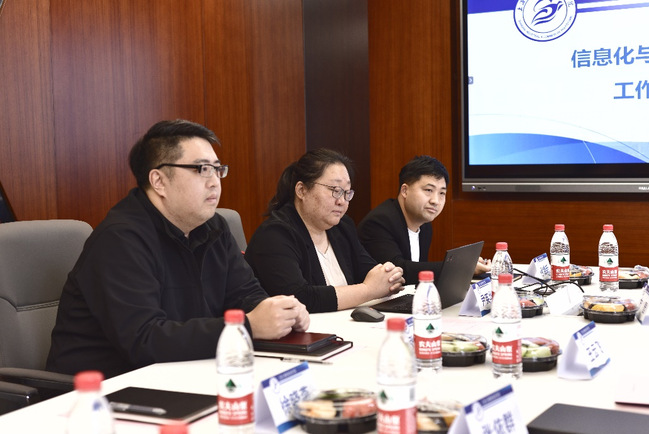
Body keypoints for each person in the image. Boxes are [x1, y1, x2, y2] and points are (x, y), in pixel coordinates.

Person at [46, 119, 309, 378]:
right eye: (202, 169)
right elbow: (144, 340)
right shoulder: (119, 239)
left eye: (217, 169)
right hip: (104, 390)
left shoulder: (214, 227)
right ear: (159, 181)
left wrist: (279, 312)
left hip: (184, 374)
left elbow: (245, 294)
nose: (215, 182)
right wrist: (247, 326)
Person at [244, 148, 405, 313]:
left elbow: (368, 270)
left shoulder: (342, 227)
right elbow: (298, 298)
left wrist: (388, 276)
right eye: (335, 191)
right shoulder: (274, 235)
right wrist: (368, 290)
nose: (342, 201)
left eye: (347, 193)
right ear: (301, 190)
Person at [357, 155, 491, 285]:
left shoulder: (424, 225)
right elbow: (398, 271)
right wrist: (461, 267)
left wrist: (467, 264)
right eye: (428, 190)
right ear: (405, 191)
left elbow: (416, 273)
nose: (435, 201)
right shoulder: (379, 222)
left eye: (442, 193)